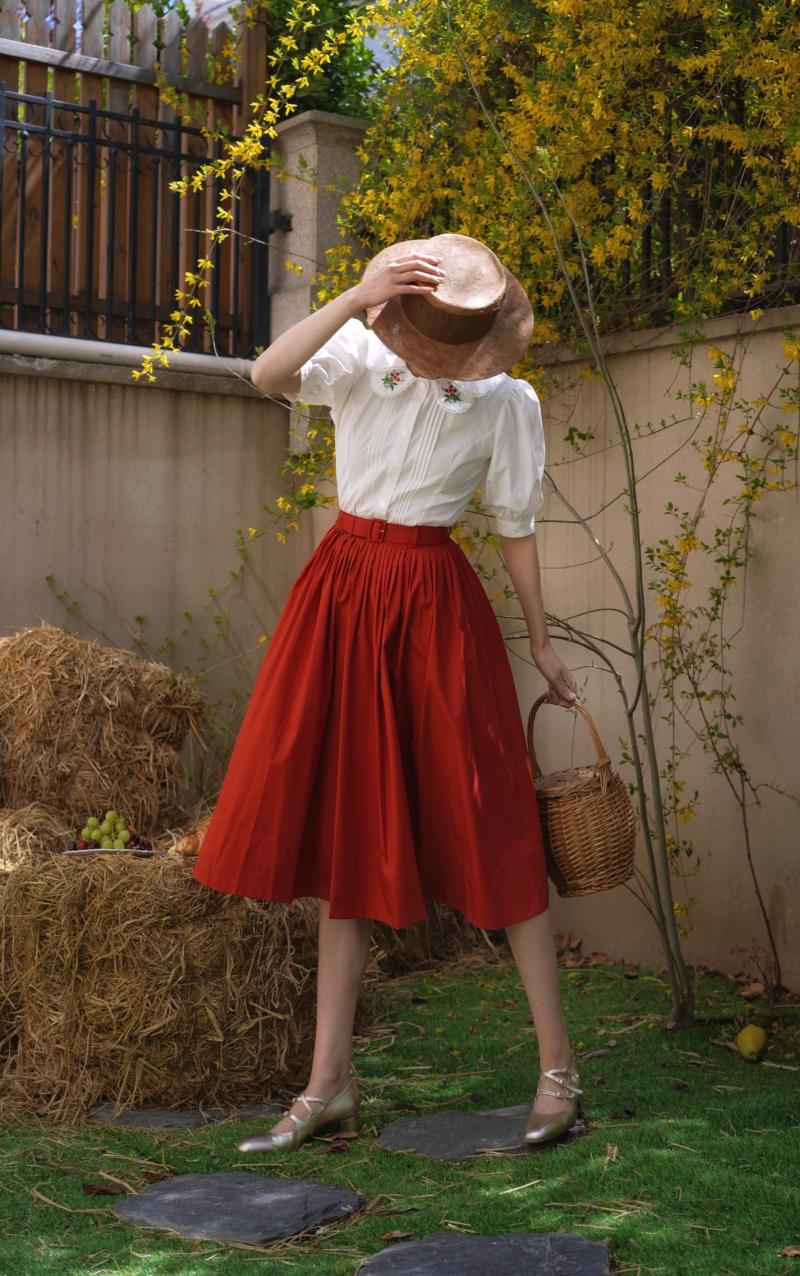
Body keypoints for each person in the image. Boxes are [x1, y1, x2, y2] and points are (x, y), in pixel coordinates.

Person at [191, 232, 584, 1153]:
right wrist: (354, 294)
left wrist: (540, 637)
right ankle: (328, 1084)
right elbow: (265, 374)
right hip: (342, 600)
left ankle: (560, 1069)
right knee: (347, 836)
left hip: (436, 608)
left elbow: (516, 527)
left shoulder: (506, 401)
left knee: (495, 824)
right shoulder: (361, 350)